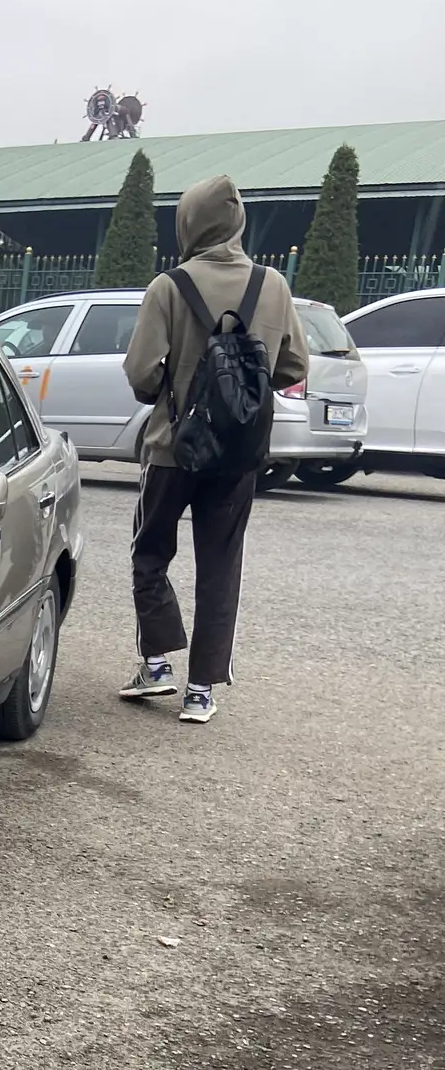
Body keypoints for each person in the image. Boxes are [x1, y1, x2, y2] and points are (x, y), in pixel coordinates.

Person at [119, 175, 308, 724]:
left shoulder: (169, 286)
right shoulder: (273, 286)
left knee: (150, 552)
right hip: (238, 456)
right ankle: (201, 690)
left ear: (189, 222)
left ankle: (156, 663)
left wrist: (173, 389)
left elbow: (139, 373)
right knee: (221, 565)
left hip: (172, 447)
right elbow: (295, 367)